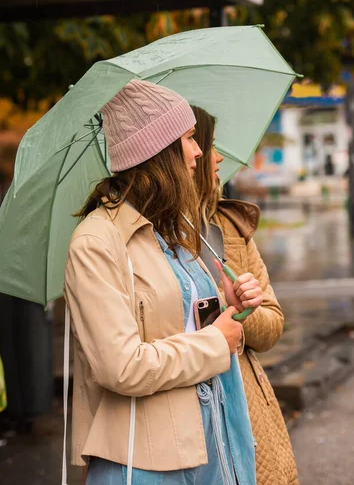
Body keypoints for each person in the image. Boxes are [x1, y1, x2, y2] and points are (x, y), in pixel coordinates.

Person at [64, 79, 259, 485]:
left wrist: (227, 306)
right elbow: (122, 367)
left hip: (211, 437)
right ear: (158, 153)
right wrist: (215, 341)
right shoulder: (96, 242)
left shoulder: (172, 229)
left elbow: (178, 324)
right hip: (148, 461)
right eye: (188, 138)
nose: (199, 151)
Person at [191, 105, 299, 485]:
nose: (217, 156)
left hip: (252, 408)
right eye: (206, 144)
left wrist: (245, 310)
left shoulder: (229, 228)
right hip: (193, 410)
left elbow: (272, 326)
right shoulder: (148, 238)